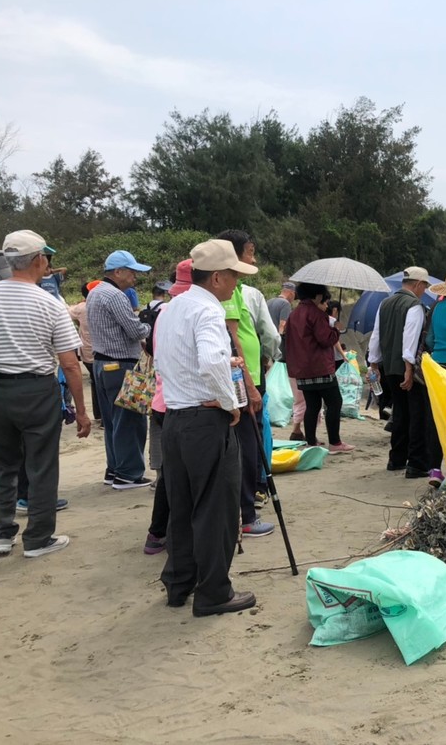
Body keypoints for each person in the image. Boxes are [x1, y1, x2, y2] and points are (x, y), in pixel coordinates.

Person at [153, 238, 257, 616]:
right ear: (216, 277)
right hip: (203, 419)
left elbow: (163, 360)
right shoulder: (209, 310)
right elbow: (213, 362)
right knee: (217, 509)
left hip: (176, 418)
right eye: (232, 276)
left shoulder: (171, 307)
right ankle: (214, 591)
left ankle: (178, 584)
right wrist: (230, 403)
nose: (235, 284)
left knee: (181, 507)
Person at [0, 230, 90, 558]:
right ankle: (37, 538)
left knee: (1, 465)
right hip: (36, 390)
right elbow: (69, 363)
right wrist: (80, 410)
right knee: (41, 465)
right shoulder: (49, 303)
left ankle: (1, 534)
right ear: (39, 260)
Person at [215, 229, 276, 539]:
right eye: (250, 252)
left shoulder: (237, 289)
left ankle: (246, 510)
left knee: (248, 445)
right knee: (246, 447)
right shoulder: (226, 291)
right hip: (241, 382)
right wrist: (250, 386)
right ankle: (246, 515)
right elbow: (233, 338)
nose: (253, 259)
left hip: (247, 377)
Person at [86, 249, 153, 489]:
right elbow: (135, 331)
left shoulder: (95, 293)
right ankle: (128, 473)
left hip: (102, 364)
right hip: (120, 363)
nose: (135, 277)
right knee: (130, 420)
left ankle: (114, 469)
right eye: (132, 272)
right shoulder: (115, 296)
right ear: (118, 272)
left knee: (113, 420)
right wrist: (149, 325)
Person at [143, 261, 194, 555]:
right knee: (180, 473)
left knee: (168, 472)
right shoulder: (188, 312)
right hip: (180, 403)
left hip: (162, 400)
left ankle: (157, 533)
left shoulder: (164, 312)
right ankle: (171, 533)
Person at [368, 266, 436, 478]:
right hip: (408, 369)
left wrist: (374, 364)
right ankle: (416, 463)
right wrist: (409, 368)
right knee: (418, 414)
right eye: (424, 286)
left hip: (389, 367)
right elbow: (410, 338)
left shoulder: (385, 303)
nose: (424, 290)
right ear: (417, 284)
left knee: (400, 412)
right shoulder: (414, 306)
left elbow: (376, 335)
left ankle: (396, 459)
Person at [284, 283, 355, 454]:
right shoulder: (317, 314)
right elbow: (326, 339)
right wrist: (336, 330)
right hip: (320, 366)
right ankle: (335, 443)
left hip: (301, 367)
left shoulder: (294, 314)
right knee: (334, 402)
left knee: (312, 405)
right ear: (317, 295)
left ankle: (311, 442)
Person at [68, 283, 101, 425]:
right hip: (104, 351)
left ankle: (99, 415)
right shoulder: (104, 305)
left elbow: (67, 312)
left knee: (96, 383)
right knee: (102, 385)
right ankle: (104, 418)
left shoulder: (81, 308)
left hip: (88, 352)